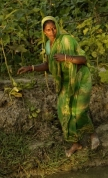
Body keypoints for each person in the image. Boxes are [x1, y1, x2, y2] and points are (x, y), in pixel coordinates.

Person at [17, 16, 99, 157]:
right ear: (44, 32)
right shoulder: (49, 46)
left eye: (54, 28)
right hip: (65, 83)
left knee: (79, 111)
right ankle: (76, 143)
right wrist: (30, 68)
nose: (52, 32)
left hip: (80, 79)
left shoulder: (67, 40)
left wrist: (66, 58)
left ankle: (93, 136)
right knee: (64, 112)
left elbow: (83, 59)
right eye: (48, 30)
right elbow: (49, 65)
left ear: (58, 27)